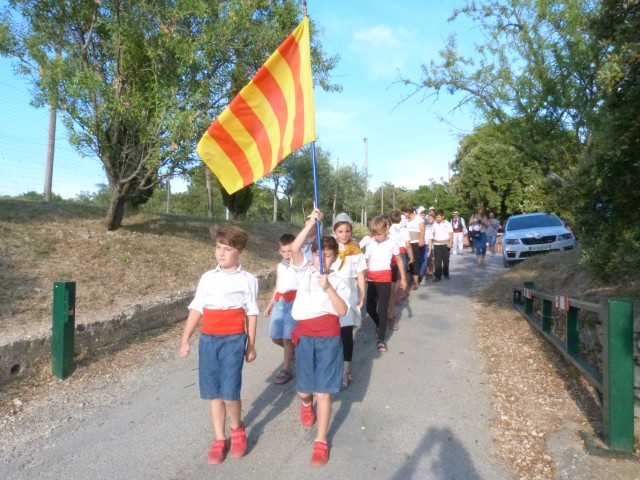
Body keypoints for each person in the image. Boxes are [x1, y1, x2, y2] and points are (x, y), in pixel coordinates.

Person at [179, 226, 258, 465]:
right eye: (218, 248)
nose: (221, 253)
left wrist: (251, 345)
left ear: (240, 251)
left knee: (230, 392)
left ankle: (236, 428)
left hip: (234, 339)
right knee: (213, 392)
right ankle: (219, 438)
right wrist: (185, 339)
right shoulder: (208, 277)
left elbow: (251, 313)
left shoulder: (247, 279)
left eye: (227, 249)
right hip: (209, 339)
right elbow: (197, 308)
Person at [290, 208, 350, 467]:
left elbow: (343, 310)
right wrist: (311, 223)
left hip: (329, 338)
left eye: (327, 255)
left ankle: (321, 440)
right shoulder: (303, 272)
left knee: (323, 392)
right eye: (318, 255)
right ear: (312, 256)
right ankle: (305, 404)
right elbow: (293, 249)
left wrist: (329, 287)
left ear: (335, 258)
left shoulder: (339, 279)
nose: (322, 260)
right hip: (305, 336)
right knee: (305, 391)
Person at [331, 213, 367, 390]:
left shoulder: (356, 251)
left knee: (346, 333)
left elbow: (360, 273)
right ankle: (332, 366)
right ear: (334, 232)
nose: (344, 234)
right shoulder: (328, 249)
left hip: (349, 294)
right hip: (331, 294)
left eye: (347, 231)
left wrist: (362, 293)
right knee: (332, 332)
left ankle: (346, 369)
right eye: (340, 231)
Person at [365, 215, 408, 353]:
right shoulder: (370, 242)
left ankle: (381, 339)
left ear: (386, 229)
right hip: (371, 279)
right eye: (375, 234)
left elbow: (399, 261)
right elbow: (367, 260)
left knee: (382, 309)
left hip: (384, 279)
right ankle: (380, 324)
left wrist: (403, 279)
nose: (377, 236)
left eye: (380, 234)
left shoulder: (392, 242)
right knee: (370, 308)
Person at [263, 234, 298, 385]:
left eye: (290, 251)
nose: (287, 254)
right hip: (279, 303)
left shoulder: (300, 265)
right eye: (284, 251)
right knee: (275, 337)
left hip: (294, 302)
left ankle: (286, 369)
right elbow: (278, 287)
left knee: (287, 338)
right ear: (280, 251)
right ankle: (295, 353)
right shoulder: (280, 266)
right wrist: (270, 305)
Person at [387, 210, 413, 328]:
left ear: (391, 219)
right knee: (399, 276)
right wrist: (411, 255)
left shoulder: (388, 229)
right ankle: (397, 295)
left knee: (392, 279)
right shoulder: (404, 229)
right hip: (401, 253)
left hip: (390, 254)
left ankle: (392, 296)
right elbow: (408, 245)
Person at [401, 204, 425, 289]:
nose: (403, 214)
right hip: (407, 243)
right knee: (408, 262)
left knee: (415, 261)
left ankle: (416, 281)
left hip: (416, 242)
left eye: (404, 212)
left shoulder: (418, 218)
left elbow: (422, 229)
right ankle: (409, 279)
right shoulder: (405, 220)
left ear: (408, 212)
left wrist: (421, 238)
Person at [429, 209, 454, 281]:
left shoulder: (447, 224)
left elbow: (451, 234)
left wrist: (450, 243)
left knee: (446, 260)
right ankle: (438, 276)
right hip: (437, 244)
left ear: (442, 216)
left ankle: (446, 274)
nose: (437, 219)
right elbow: (433, 233)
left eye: (438, 217)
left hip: (445, 244)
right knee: (437, 261)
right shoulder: (434, 224)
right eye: (436, 217)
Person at [420, 212, 436, 283]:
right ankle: (424, 275)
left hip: (428, 247)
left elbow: (430, 241)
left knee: (430, 261)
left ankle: (431, 273)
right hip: (421, 247)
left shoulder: (428, 231)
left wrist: (429, 250)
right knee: (423, 261)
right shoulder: (419, 231)